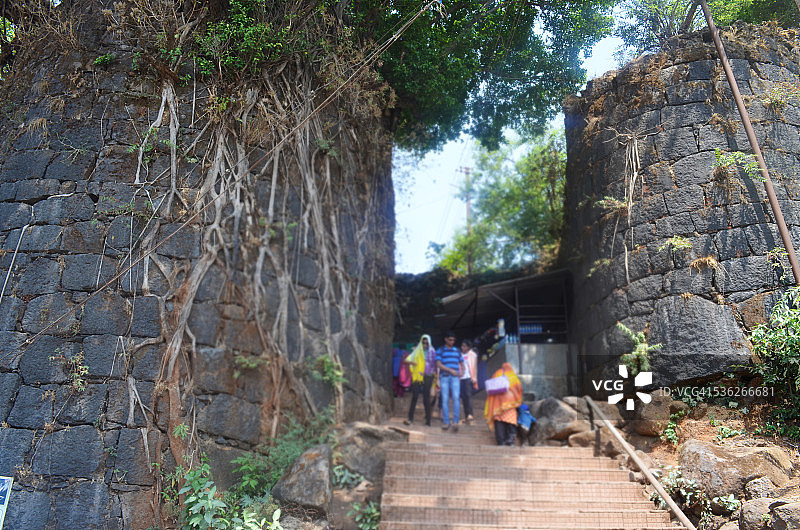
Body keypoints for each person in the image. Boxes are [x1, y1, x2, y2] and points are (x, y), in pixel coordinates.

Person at [484, 362, 523, 446]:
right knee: (511, 420)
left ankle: (500, 441)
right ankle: (510, 440)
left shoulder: (497, 373)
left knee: (499, 421)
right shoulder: (513, 376)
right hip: (510, 404)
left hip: (497, 404)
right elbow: (519, 388)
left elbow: (491, 388)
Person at [404, 334, 436, 426]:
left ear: (429, 343)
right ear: (421, 342)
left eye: (427, 343)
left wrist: (435, 380)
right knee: (415, 396)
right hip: (418, 376)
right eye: (423, 343)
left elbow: (435, 365)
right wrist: (413, 362)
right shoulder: (417, 351)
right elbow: (406, 361)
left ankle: (428, 421)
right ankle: (410, 418)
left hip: (428, 376)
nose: (425, 345)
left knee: (426, 398)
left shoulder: (433, 352)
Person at [436, 331, 464, 432]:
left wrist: (463, 371)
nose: (452, 341)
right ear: (446, 339)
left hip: (455, 377)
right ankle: (446, 421)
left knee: (456, 398)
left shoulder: (457, 350)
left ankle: (455, 421)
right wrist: (450, 370)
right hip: (444, 376)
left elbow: (462, 362)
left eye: (453, 340)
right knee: (445, 399)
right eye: (450, 339)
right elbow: (438, 364)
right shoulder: (440, 350)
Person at [459, 339, 478, 424]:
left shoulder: (473, 355)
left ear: (468, 347)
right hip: (461, 378)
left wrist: (475, 377)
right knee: (463, 397)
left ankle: (470, 414)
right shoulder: (459, 355)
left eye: (464, 346)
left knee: (468, 395)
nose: (462, 347)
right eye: (462, 346)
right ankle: (466, 415)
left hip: (469, 377)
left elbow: (475, 367)